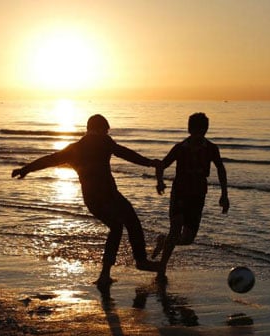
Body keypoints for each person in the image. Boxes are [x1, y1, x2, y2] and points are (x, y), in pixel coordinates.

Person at [11, 114, 160, 297]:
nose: (106, 134)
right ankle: (123, 268)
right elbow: (125, 153)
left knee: (128, 222)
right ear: (97, 130)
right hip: (102, 197)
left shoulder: (76, 148)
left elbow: (50, 159)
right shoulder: (102, 142)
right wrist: (150, 163)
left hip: (99, 198)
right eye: (104, 131)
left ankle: (125, 267)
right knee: (120, 225)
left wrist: (25, 169)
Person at [152, 112, 229, 279]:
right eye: (195, 130)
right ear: (189, 129)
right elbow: (162, 165)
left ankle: (162, 241)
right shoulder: (180, 148)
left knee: (187, 239)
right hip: (180, 192)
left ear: (206, 130)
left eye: (201, 131)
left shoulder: (211, 148)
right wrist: (160, 181)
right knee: (176, 227)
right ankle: (161, 269)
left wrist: (224, 195)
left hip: (198, 194)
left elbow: (221, 169)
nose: (198, 134)